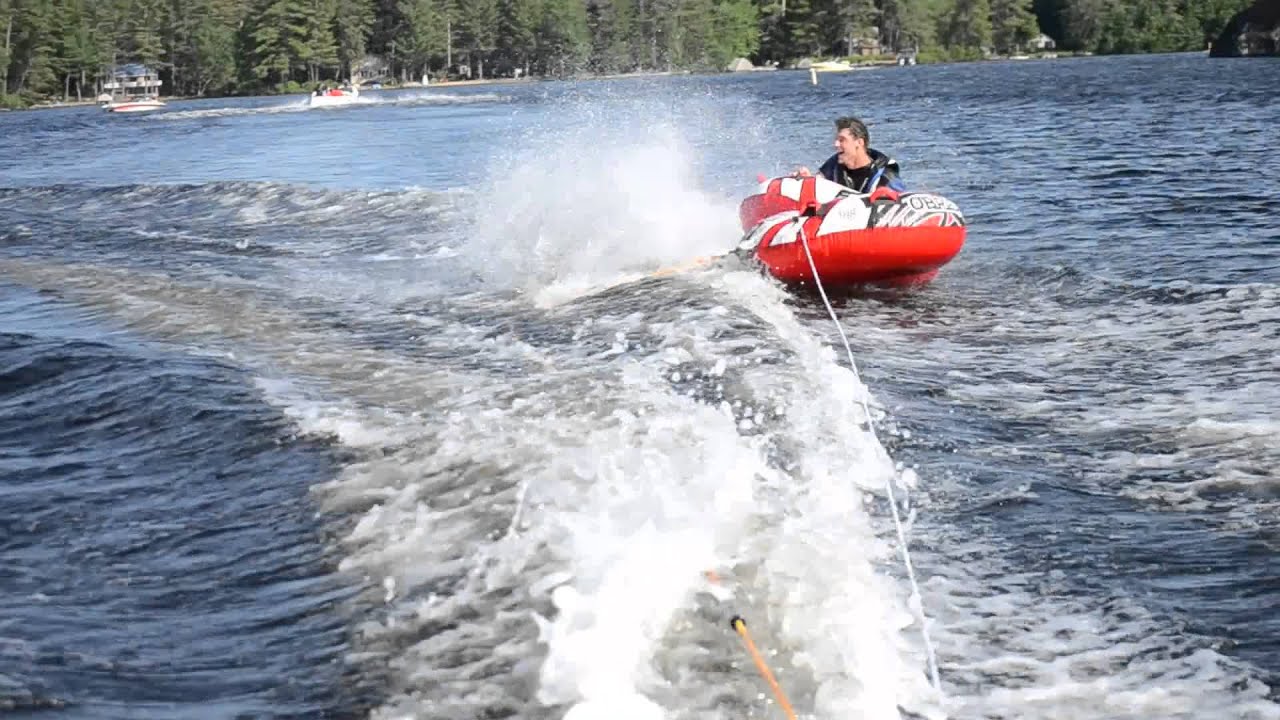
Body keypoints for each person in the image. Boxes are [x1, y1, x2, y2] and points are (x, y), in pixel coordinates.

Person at [795, 116, 906, 193]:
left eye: (842, 140)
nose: (836, 144)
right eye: (836, 140)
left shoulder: (885, 175)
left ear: (859, 143)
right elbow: (818, 184)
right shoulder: (833, 165)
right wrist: (806, 181)